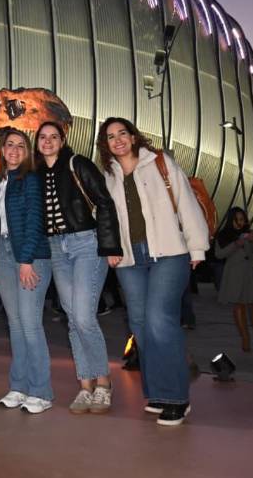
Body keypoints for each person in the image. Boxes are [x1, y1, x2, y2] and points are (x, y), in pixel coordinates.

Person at [97, 117, 208, 426]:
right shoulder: (109, 176)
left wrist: (197, 246)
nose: (117, 139)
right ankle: (159, 392)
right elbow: (106, 219)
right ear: (105, 145)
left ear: (133, 137)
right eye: (110, 136)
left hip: (169, 253)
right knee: (141, 324)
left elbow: (186, 202)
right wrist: (110, 250)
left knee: (161, 320)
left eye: (122, 133)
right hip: (131, 260)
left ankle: (177, 398)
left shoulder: (160, 163)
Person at [34, 121, 122, 415]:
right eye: (42, 137)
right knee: (72, 318)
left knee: (84, 316)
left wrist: (110, 247)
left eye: (53, 137)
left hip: (86, 243)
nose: (47, 142)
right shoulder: (36, 173)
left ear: (62, 140)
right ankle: (85, 386)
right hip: (56, 247)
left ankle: (104, 383)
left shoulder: (76, 163)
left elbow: (104, 202)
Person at [0, 128, 54, 414]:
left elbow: (35, 220)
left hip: (29, 255)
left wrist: (26, 260)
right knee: (15, 325)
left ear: (27, 152)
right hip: (3, 254)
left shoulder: (30, 179)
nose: (14, 150)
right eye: (9, 145)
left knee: (30, 324)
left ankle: (41, 391)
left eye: (20, 146)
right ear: (2, 150)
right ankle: (19, 386)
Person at [215, 207, 253, 352]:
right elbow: (219, 255)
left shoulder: (252, 233)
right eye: (237, 219)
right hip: (234, 273)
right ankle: (245, 339)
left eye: (242, 219)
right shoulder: (223, 235)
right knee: (239, 306)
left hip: (252, 272)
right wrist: (235, 244)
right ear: (231, 220)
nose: (240, 222)